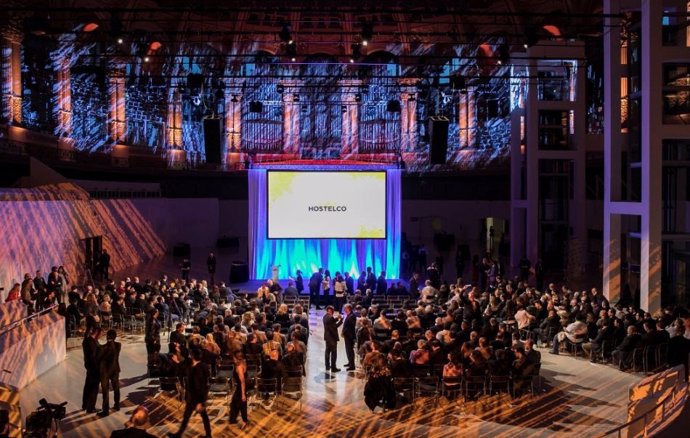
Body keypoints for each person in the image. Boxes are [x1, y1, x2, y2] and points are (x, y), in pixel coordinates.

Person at [168, 348, 212, 438]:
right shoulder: (198, 366)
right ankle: (179, 434)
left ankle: (208, 435)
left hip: (196, 398)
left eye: (190, 354)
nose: (189, 356)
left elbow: (200, 386)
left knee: (201, 416)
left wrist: (200, 402)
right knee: (188, 416)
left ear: (193, 356)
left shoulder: (198, 369)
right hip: (193, 398)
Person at [98, 329, 122, 417]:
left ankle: (106, 410)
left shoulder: (103, 347)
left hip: (105, 372)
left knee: (105, 391)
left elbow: (102, 355)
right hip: (115, 370)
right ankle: (117, 405)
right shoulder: (118, 345)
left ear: (107, 337)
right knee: (116, 388)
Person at [82, 327, 102, 413]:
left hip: (89, 366)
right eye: (101, 334)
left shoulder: (87, 341)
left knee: (87, 386)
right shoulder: (92, 342)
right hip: (94, 367)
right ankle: (91, 407)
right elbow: (93, 356)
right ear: (97, 332)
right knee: (94, 388)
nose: (101, 336)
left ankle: (85, 405)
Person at [229, 351, 249, 430]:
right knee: (235, 402)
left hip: (242, 387)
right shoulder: (243, 362)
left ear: (237, 358)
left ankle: (244, 421)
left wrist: (243, 394)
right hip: (241, 386)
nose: (233, 359)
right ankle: (233, 419)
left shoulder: (239, 367)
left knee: (241, 403)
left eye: (234, 358)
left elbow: (242, 381)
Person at [323, 306, 343, 374]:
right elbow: (334, 326)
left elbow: (331, 322)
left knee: (327, 352)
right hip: (332, 338)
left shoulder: (325, 316)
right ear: (331, 311)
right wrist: (341, 320)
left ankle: (327, 366)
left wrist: (337, 318)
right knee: (334, 353)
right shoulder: (330, 317)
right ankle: (333, 368)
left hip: (327, 337)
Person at [341, 304, 356, 371]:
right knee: (347, 350)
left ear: (348, 308)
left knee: (350, 351)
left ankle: (352, 365)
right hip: (347, 336)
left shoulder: (352, 316)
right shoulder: (349, 315)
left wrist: (345, 332)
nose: (344, 309)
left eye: (345, 308)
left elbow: (350, 327)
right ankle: (349, 362)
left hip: (350, 336)